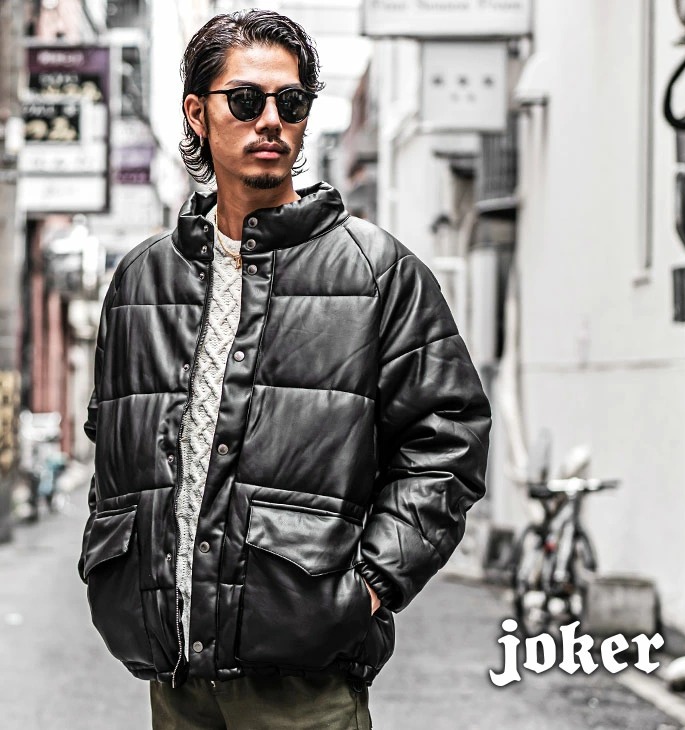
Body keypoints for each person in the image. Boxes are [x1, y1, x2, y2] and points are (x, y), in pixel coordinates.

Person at [78, 9, 491, 730]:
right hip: (175, 678)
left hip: (306, 684)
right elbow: (115, 449)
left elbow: (448, 440)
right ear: (197, 113)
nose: (270, 119)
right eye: (245, 100)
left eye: (290, 102)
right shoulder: (141, 281)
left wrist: (367, 585)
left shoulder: (376, 272)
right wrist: (110, 562)